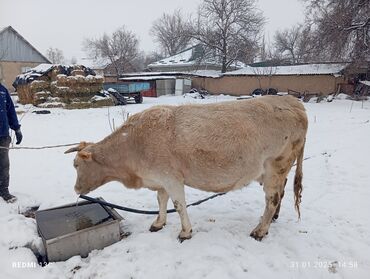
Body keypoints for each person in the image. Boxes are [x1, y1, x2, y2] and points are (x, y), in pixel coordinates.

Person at [0, 81, 22, 203]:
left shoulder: (3, 90)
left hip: (3, 135)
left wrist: (17, 128)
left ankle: (4, 190)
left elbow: (10, 111)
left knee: (4, 165)